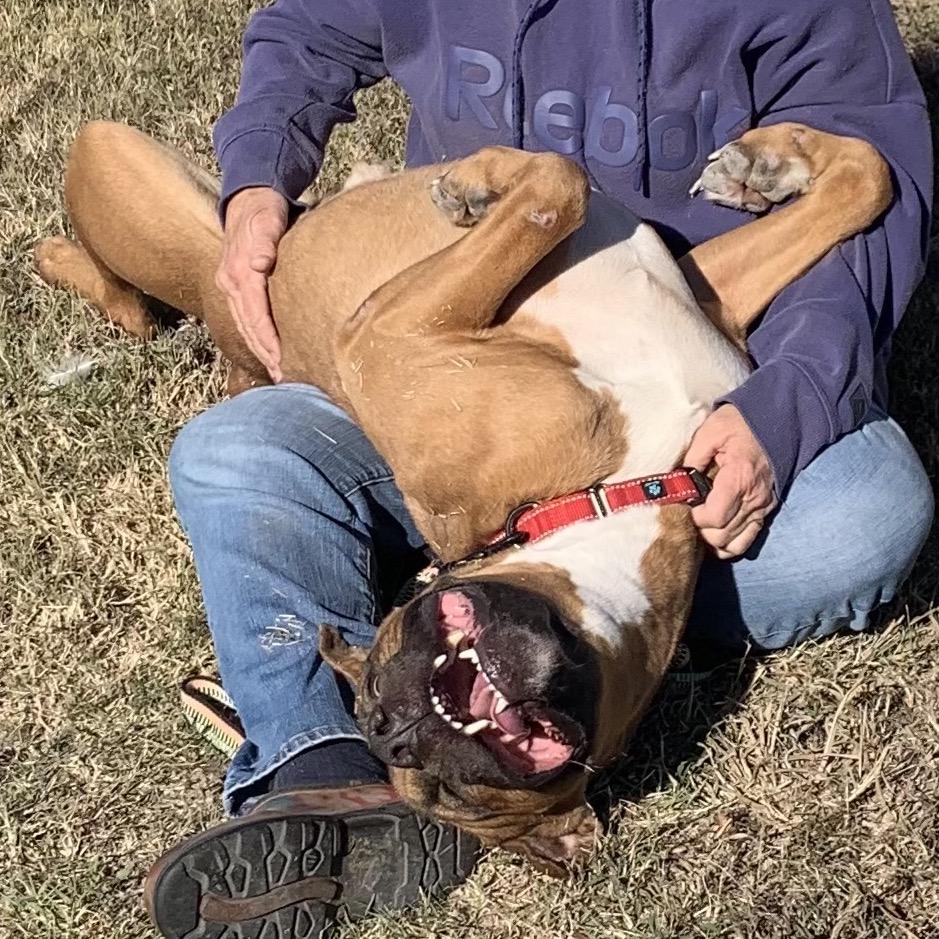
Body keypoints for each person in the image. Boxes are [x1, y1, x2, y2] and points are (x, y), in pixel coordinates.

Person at [144, 2, 934, 936]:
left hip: (679, 319)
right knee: (231, 449)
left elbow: (870, 154)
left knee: (865, 514)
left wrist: (792, 397)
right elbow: (311, 31)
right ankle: (321, 759)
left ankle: (425, 680)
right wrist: (257, 183)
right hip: (467, 357)